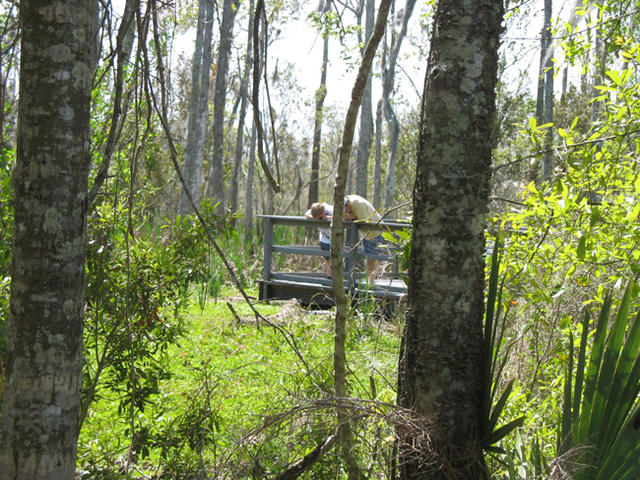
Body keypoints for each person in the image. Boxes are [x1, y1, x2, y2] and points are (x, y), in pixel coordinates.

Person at [343, 194, 384, 281]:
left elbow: (366, 221)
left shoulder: (358, 205)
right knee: (369, 258)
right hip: (366, 234)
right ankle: (371, 280)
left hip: (374, 231)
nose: (345, 213)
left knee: (373, 257)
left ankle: (372, 279)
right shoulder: (349, 200)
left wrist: (352, 217)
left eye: (345, 210)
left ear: (347, 205)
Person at [305, 202, 333, 276]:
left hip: (335, 238)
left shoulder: (330, 209)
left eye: (320, 218)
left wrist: (327, 218)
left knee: (335, 259)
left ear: (323, 212)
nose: (319, 219)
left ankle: (334, 278)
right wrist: (315, 218)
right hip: (324, 238)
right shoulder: (314, 210)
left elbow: (340, 217)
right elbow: (306, 214)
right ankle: (329, 277)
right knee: (328, 259)